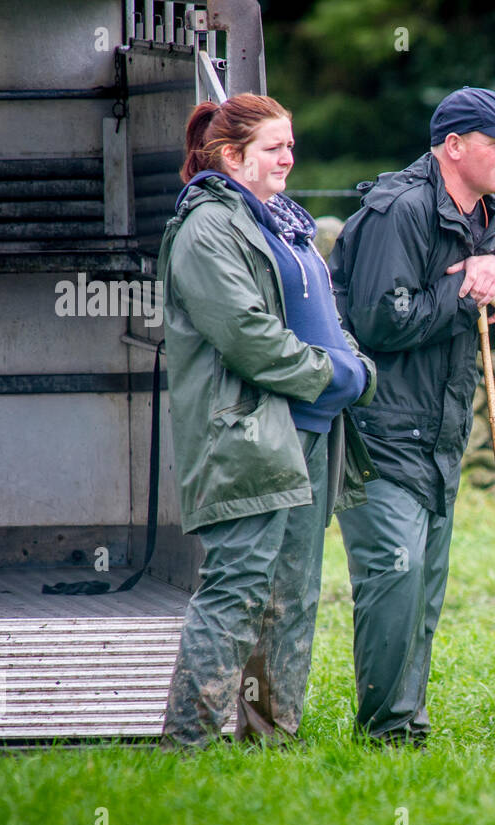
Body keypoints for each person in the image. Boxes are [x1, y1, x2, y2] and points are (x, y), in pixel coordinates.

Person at [157, 93, 378, 750]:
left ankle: (268, 738)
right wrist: (337, 375)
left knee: (291, 593)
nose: (290, 156)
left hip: (307, 432)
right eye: (275, 146)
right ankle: (186, 744)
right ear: (232, 155)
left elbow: (318, 307)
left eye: (290, 144)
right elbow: (246, 335)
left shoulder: (277, 220)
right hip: (248, 432)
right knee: (238, 586)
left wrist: (353, 360)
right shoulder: (206, 229)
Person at [329, 87, 495, 747]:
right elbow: (381, 319)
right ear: (454, 146)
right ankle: (386, 734)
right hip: (377, 432)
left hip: (441, 437)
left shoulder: (491, 210)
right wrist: (465, 290)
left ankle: (407, 722)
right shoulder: (400, 211)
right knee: (393, 579)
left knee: (422, 592)